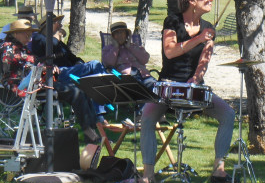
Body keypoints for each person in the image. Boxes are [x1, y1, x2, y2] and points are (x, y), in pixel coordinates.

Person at [139, 0, 235, 183]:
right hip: (167, 85)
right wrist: (199, 38)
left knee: (228, 114)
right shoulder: (173, 22)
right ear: (192, 1)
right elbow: (170, 51)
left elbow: (204, 61)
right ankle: (147, 175)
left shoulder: (208, 28)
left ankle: (219, 170)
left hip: (193, 87)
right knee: (147, 117)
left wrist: (197, 77)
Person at [1, 19, 102, 151]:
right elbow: (20, 69)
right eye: (26, 33)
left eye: (30, 33)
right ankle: (91, 134)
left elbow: (35, 63)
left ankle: (95, 129)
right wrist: (43, 68)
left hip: (36, 83)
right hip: (23, 86)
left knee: (81, 88)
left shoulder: (20, 47)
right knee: (76, 93)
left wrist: (49, 67)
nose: (29, 36)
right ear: (15, 34)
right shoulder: (8, 48)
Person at [101, 21, 154, 87]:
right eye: (117, 33)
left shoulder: (134, 46)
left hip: (143, 76)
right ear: (113, 36)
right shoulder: (108, 49)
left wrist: (129, 46)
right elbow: (108, 65)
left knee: (155, 87)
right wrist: (116, 47)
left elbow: (145, 59)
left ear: (126, 35)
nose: (120, 35)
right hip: (125, 79)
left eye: (122, 32)